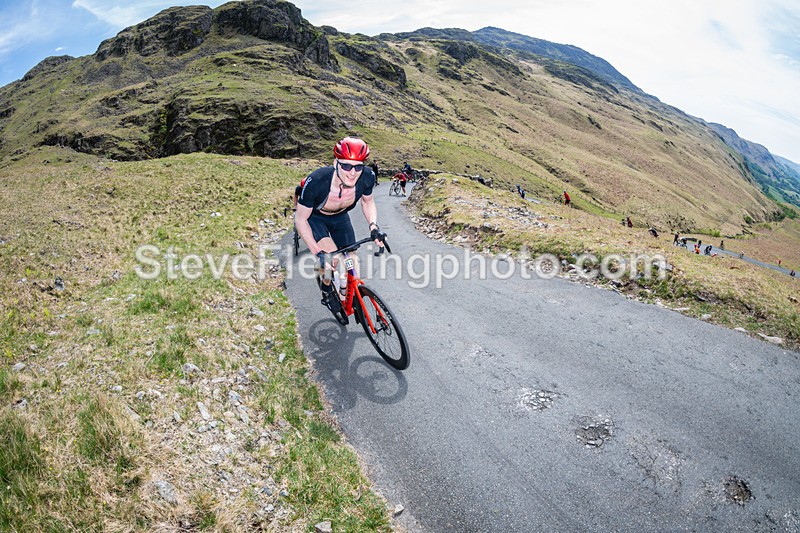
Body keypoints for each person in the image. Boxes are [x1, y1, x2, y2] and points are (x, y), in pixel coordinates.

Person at [295, 137, 381, 314]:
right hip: (316, 218)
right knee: (330, 260)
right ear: (336, 163)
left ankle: (347, 290)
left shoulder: (367, 177)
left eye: (358, 166)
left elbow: (368, 203)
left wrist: (373, 226)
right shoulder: (317, 180)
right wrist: (317, 252)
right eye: (346, 166)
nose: (352, 172)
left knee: (352, 259)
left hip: (341, 217)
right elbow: (300, 219)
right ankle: (326, 290)